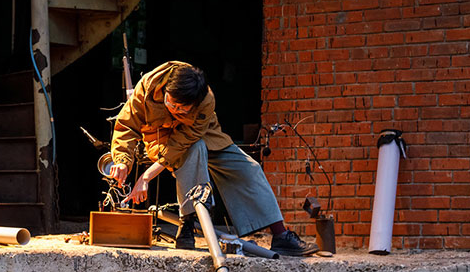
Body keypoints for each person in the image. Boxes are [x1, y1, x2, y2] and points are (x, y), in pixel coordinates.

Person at [108, 61, 317, 255]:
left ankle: (280, 235)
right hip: (160, 140)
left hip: (204, 136)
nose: (175, 111)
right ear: (166, 91)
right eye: (171, 104)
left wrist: (146, 177)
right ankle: (187, 223)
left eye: (182, 109)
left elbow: (184, 141)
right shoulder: (147, 87)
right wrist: (122, 161)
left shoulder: (206, 100)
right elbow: (126, 126)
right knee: (194, 151)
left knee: (247, 168)